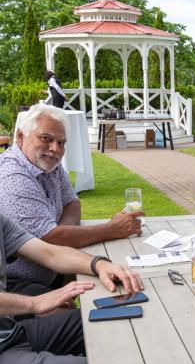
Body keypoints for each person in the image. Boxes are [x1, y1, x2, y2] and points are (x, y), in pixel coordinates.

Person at [0, 210, 143, 364]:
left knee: (109, 315)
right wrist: (34, 303)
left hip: (10, 334)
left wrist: (99, 264)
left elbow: (50, 252)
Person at [0, 104, 144, 296]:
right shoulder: (12, 177)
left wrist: (64, 232)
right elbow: (49, 239)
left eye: (61, 143)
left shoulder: (48, 164)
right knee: (102, 309)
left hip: (57, 268)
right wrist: (112, 229)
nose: (55, 149)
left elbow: (72, 202)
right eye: (46, 138)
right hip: (16, 286)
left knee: (122, 285)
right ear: (20, 136)